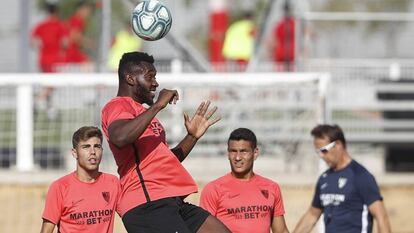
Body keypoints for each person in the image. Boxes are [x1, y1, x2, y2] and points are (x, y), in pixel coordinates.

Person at [101, 51, 231, 233]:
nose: (156, 83)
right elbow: (119, 137)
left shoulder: (145, 115)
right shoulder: (118, 105)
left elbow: (164, 160)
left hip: (168, 200)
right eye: (150, 77)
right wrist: (158, 106)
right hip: (146, 204)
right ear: (130, 79)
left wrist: (192, 137)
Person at [293, 124, 392, 233]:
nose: (321, 156)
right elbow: (312, 215)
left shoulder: (361, 176)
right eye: (318, 152)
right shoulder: (324, 179)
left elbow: (381, 217)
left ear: (338, 144)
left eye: (324, 150)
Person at [200, 128, 290, 233]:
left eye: (243, 151)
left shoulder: (272, 187)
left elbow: (281, 230)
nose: (237, 157)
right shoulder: (213, 189)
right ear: (228, 154)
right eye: (233, 151)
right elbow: (204, 229)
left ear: (255, 153)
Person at [40, 126, 121, 233]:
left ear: (102, 150)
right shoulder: (60, 187)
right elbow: (46, 230)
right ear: (74, 153)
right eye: (86, 147)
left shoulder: (113, 183)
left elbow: (131, 215)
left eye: (97, 146)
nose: (92, 152)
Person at [31, 1, 67, 72]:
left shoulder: (40, 26)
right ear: (57, 11)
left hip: (44, 60)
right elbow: (65, 43)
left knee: (46, 81)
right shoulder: (60, 26)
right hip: (57, 60)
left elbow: (33, 43)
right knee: (55, 81)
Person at [272, 0, 295, 71]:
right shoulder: (295, 24)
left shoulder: (280, 25)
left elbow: (274, 42)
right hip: (291, 54)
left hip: (282, 54)